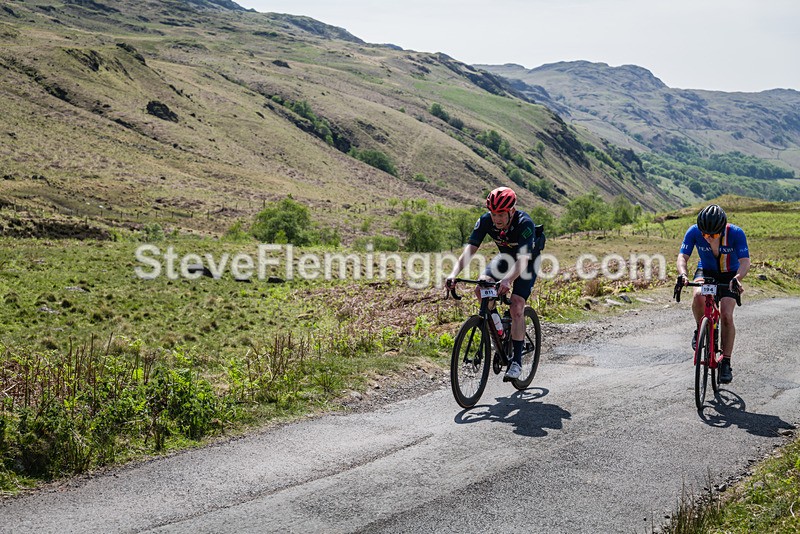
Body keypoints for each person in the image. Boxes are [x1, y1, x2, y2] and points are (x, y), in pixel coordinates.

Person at [446, 187, 543, 381]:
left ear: (511, 211)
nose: (496, 219)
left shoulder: (525, 224)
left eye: (500, 214)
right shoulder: (485, 221)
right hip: (505, 257)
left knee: (516, 305)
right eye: (493, 213)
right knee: (481, 288)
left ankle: (516, 361)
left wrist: (507, 280)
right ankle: (498, 331)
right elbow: (470, 250)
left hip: (528, 261)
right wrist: (453, 274)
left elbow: (523, 261)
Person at [676, 204, 750, 384]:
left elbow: (745, 262)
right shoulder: (694, 231)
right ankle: (699, 328)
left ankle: (726, 361)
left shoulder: (735, 233)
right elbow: (682, 257)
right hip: (706, 271)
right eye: (705, 235)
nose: (708, 238)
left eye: (713, 235)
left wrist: (738, 278)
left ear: (722, 230)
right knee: (697, 296)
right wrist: (683, 275)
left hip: (729, 275)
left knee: (726, 315)